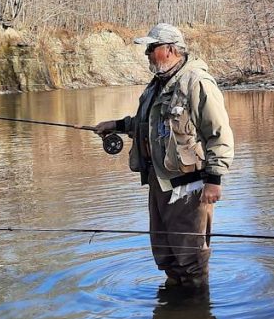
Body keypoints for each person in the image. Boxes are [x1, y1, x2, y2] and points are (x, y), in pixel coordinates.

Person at [94, 23, 234, 289]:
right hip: (160, 183)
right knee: (166, 255)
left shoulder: (197, 82)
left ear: (170, 49)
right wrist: (116, 125)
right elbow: (147, 123)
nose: (147, 53)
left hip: (190, 188)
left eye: (151, 48)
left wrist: (215, 179)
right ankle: (174, 303)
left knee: (191, 259)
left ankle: (195, 308)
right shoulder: (156, 85)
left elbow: (219, 133)